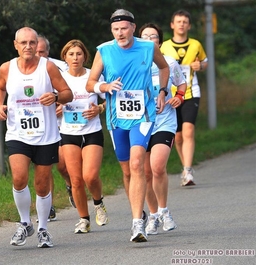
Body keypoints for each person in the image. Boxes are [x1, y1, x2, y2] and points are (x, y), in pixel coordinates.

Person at [86, 9, 169, 243]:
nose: (120, 33)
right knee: (126, 170)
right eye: (115, 30)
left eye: (124, 28)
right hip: (115, 118)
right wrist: (104, 87)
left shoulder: (148, 47)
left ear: (133, 27)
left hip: (143, 116)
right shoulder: (104, 50)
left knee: (136, 163)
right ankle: (139, 210)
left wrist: (162, 91)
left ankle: (136, 224)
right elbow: (90, 83)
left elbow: (164, 68)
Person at [0, 27, 73, 248]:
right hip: (17, 132)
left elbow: (68, 93)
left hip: (46, 135)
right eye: (23, 43)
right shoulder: (7, 68)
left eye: (32, 42)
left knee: (41, 184)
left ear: (36, 45)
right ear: (15, 45)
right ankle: (25, 223)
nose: (28, 47)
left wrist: (56, 96)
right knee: (19, 178)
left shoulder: (47, 67)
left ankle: (43, 228)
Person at [138, 23, 187, 235]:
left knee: (157, 167)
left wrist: (178, 97)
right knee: (146, 172)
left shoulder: (169, 62)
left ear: (160, 41)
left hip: (164, 121)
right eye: (145, 36)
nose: (150, 40)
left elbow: (182, 84)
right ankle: (154, 215)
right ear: (138, 40)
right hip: (140, 123)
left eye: (154, 37)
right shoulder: (133, 64)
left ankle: (165, 210)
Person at [59, 39, 108, 234]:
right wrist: (57, 107)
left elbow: (109, 99)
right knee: (76, 180)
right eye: (71, 54)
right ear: (65, 57)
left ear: (85, 57)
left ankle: (98, 203)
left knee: (90, 176)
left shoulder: (93, 76)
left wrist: (99, 109)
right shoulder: (59, 78)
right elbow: (51, 99)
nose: (75, 58)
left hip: (92, 132)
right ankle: (83, 219)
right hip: (69, 132)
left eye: (79, 54)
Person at [161, 9, 208, 186]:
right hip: (171, 95)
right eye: (178, 21)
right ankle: (184, 167)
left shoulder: (196, 44)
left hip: (191, 92)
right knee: (178, 137)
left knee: (188, 130)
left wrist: (200, 66)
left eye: (184, 21)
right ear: (172, 25)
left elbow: (205, 62)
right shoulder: (164, 46)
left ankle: (188, 171)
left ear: (189, 25)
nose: (181, 24)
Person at [35, 35, 76, 223]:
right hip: (38, 124)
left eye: (41, 52)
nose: (37, 54)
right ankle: (48, 205)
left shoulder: (60, 67)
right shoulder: (19, 67)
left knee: (62, 165)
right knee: (44, 165)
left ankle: (70, 185)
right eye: (36, 51)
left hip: (61, 122)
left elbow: (71, 92)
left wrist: (61, 102)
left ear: (47, 52)